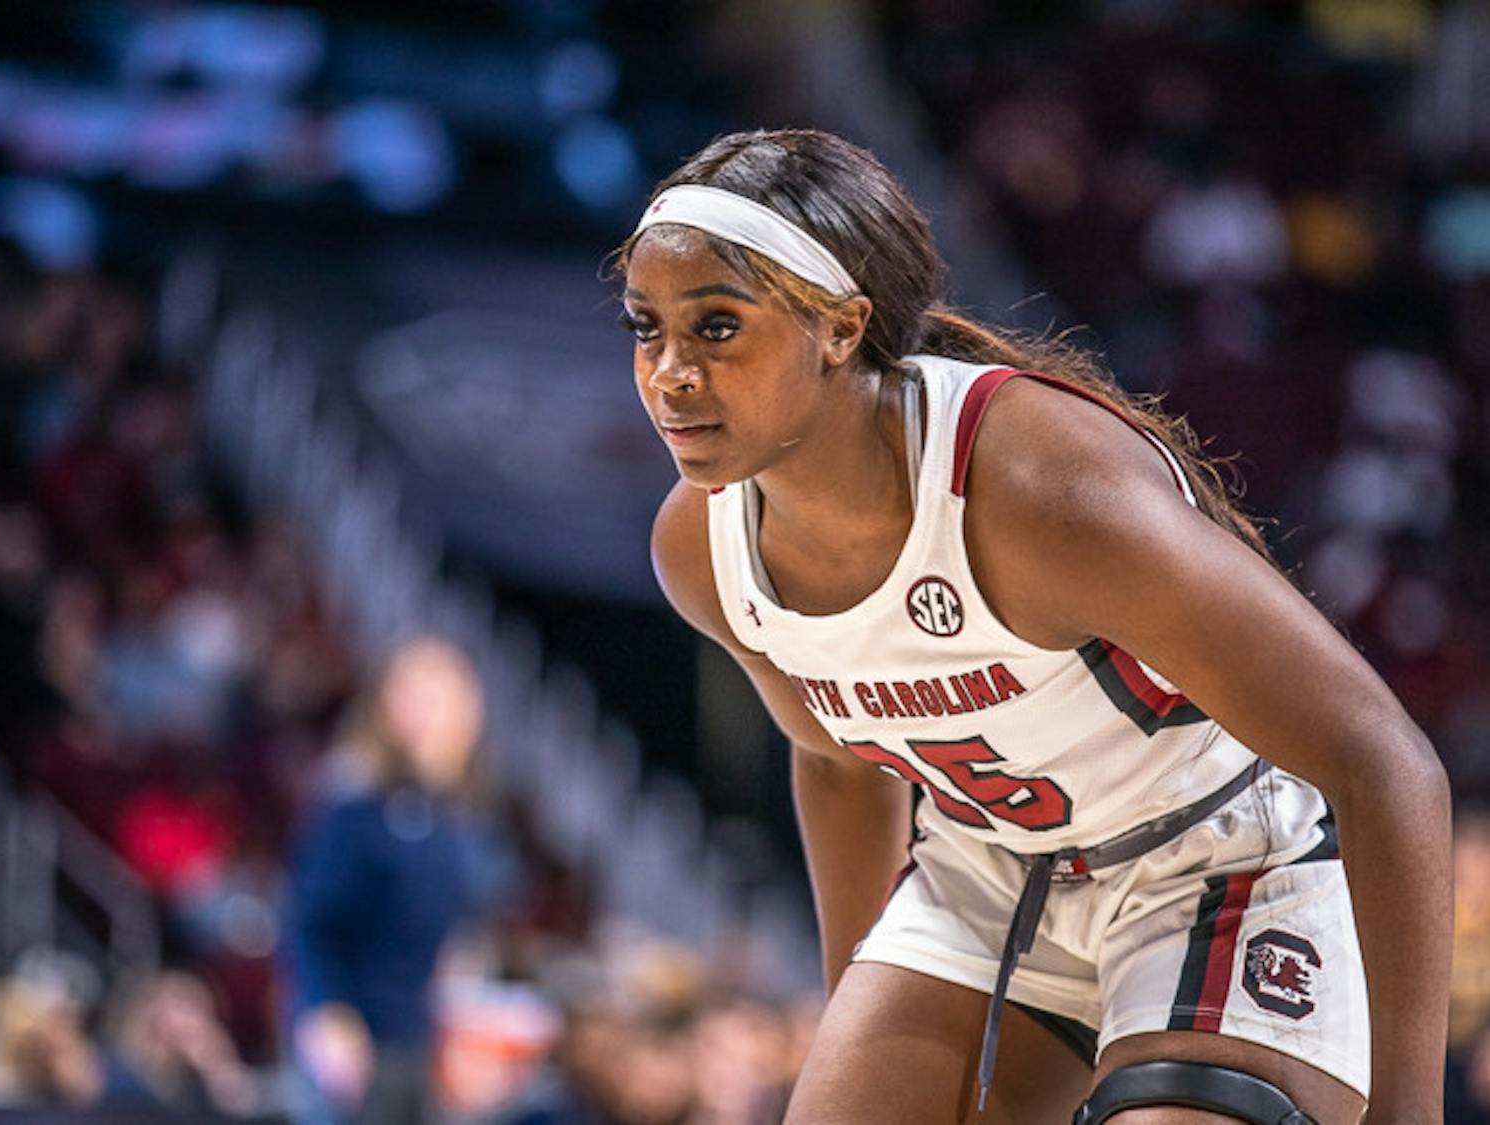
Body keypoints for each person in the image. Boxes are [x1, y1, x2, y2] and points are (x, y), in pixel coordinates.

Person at [616, 128, 1450, 1124]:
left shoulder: (1040, 487)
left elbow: (1383, 758)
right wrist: (861, 1006)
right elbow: (838, 763)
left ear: (841, 328)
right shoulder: (701, 548)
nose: (669, 374)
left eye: (716, 328)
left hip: (1223, 859)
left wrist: (1410, 1112)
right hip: (990, 867)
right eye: (644, 329)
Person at [281, 635, 520, 1125]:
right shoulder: (356, 806)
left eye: (439, 696)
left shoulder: (464, 817)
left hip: (427, 1042)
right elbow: (310, 921)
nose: (425, 713)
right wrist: (326, 1011)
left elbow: (463, 932)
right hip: (362, 1045)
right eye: (411, 695)